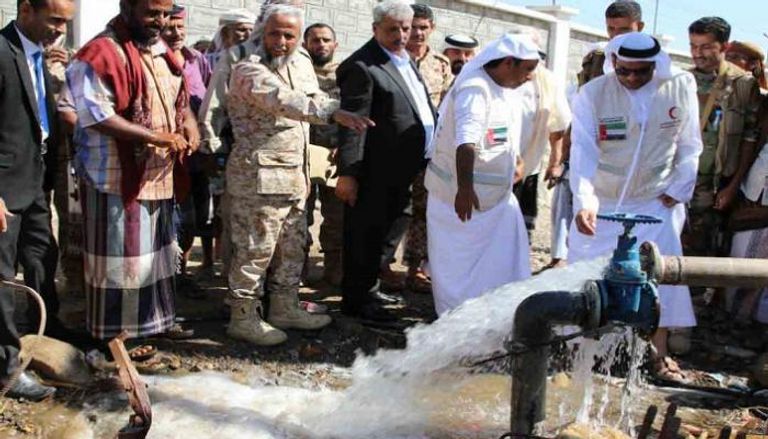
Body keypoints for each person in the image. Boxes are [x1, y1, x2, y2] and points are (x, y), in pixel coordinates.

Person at [226, 4, 372, 345]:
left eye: (289, 35)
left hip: (294, 176)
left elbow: (315, 95)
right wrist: (338, 111)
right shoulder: (248, 69)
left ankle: (284, 307)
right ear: (262, 32)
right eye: (274, 33)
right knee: (255, 250)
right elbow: (287, 100)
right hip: (257, 179)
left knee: (293, 246)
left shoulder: (302, 63)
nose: (281, 41)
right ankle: (242, 317)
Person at [569, 32, 703, 382]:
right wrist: (585, 201)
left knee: (660, 276)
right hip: (604, 202)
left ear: (655, 66)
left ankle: (660, 355)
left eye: (641, 72)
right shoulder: (593, 94)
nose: (631, 78)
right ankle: (583, 352)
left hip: (654, 202)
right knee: (586, 274)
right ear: (614, 63)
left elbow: (690, 144)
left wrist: (680, 186)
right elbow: (582, 151)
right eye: (624, 71)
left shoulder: (678, 87)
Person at [66, 0, 200, 340]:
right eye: (151, 13)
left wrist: (190, 128)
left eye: (165, 13)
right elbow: (96, 115)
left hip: (159, 175)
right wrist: (156, 136)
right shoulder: (99, 52)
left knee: (154, 258)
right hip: (115, 176)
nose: (160, 21)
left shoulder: (163, 51)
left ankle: (152, 325)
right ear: (127, 7)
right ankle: (115, 341)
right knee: (119, 262)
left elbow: (180, 104)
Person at [336, 0, 436, 321]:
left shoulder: (406, 60)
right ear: (375, 29)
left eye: (405, 28)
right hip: (374, 170)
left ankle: (370, 288)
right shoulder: (363, 66)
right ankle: (357, 302)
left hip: (404, 169)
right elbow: (352, 124)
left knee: (389, 230)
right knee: (365, 234)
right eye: (393, 29)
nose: (401, 35)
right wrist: (349, 173)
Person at [424, 33, 537, 315]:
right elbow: (466, 143)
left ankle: (494, 322)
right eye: (528, 69)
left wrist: (517, 160)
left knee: (502, 266)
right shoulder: (475, 90)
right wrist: (464, 190)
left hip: (496, 202)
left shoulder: (505, 89)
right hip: (462, 203)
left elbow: (501, 135)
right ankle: (458, 329)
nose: (531, 77)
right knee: (459, 275)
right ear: (508, 63)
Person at [0, 0, 76, 401]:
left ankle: (50, 334)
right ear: (26, 9)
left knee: (42, 255)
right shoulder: (1, 51)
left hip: (33, 184)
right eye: (55, 20)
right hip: (4, 188)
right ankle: (6, 367)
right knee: (0, 276)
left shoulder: (38, 57)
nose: (60, 30)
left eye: (66, 23)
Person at [548, 0, 644, 269]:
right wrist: (562, 158)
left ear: (640, 28)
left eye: (623, 29)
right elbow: (580, 115)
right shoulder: (595, 62)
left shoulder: (650, 66)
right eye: (611, 29)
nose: (616, 36)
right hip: (594, 154)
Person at [685, 17, 761, 257]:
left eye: (706, 47)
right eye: (693, 46)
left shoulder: (742, 84)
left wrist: (733, 186)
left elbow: (750, 139)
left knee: (706, 253)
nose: (698, 54)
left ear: (724, 47)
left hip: (716, 187)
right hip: (680, 183)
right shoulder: (681, 81)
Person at [400, 3, 453, 293]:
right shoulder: (394, 59)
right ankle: (382, 266)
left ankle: (414, 267)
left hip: (427, 150)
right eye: (413, 27)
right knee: (394, 209)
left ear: (431, 29)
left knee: (423, 209)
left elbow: (445, 107)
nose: (418, 33)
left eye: (424, 27)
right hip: (394, 148)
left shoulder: (441, 64)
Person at [162, 4, 214, 295]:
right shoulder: (152, 58)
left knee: (193, 218)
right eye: (171, 26)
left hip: (195, 156)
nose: (176, 32)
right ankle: (166, 277)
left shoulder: (198, 60)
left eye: (181, 27)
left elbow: (207, 105)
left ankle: (181, 273)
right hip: (165, 157)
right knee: (171, 218)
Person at [514, 44, 571, 240]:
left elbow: (558, 124)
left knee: (521, 218)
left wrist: (555, 161)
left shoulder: (546, 81)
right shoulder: (497, 76)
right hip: (494, 164)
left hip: (529, 163)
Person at [303, 22, 344, 287]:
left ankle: (333, 268)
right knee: (298, 215)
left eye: (326, 40)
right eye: (315, 40)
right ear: (306, 44)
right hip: (302, 155)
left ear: (335, 44)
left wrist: (346, 147)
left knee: (336, 216)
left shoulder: (347, 73)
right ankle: (298, 268)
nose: (321, 45)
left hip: (334, 156)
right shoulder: (297, 72)